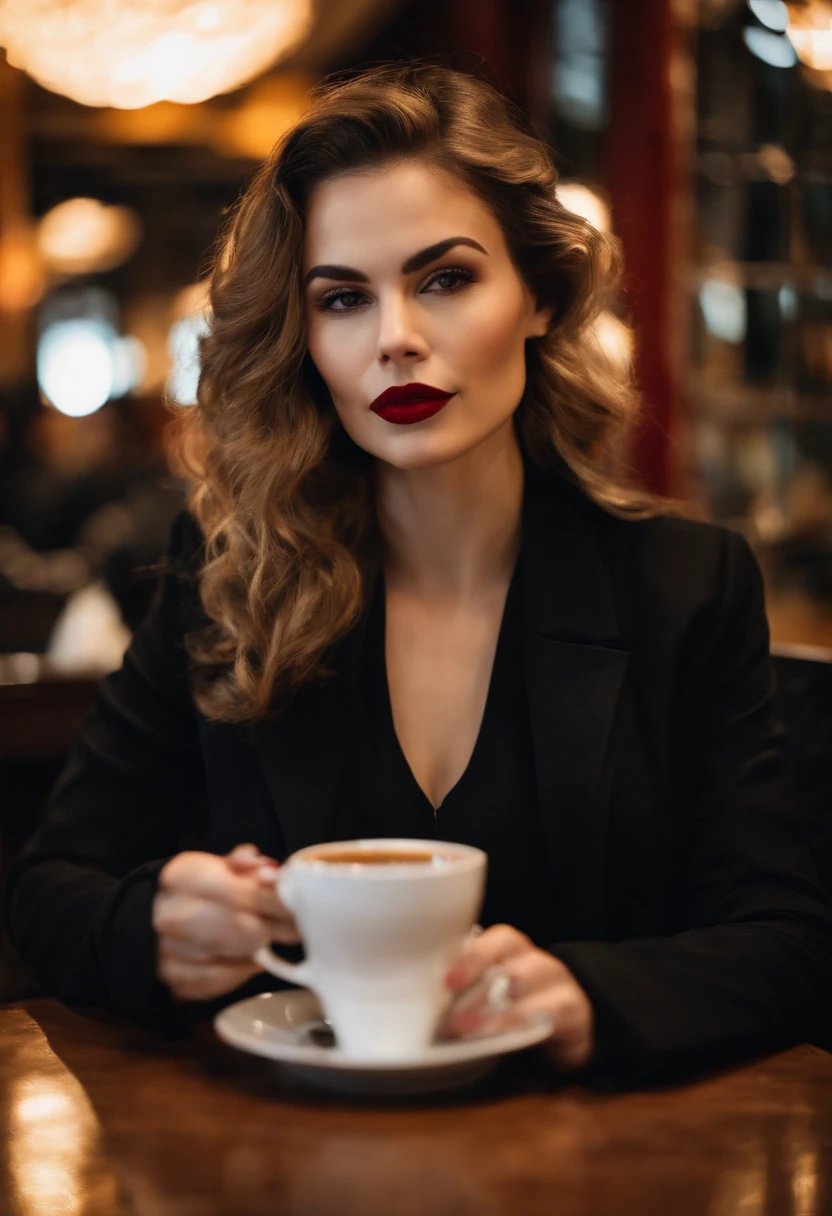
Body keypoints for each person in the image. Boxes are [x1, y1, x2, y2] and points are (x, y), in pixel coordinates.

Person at [7, 64, 831, 1085]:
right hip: (287, 1158)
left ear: (538, 295)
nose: (395, 337)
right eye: (344, 298)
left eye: (444, 278)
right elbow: (47, 888)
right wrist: (153, 928)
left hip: (597, 1165)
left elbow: (787, 938)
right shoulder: (226, 579)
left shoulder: (684, 584)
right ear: (305, 340)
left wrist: (591, 997)